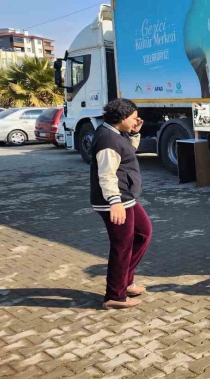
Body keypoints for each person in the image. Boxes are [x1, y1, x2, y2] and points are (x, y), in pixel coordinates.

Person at [90, 99, 152, 310]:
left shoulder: (115, 133)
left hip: (126, 198)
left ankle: (126, 280)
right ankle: (115, 295)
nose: (137, 120)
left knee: (143, 233)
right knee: (122, 246)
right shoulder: (107, 141)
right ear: (122, 118)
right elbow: (106, 175)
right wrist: (114, 202)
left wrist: (134, 132)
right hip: (115, 201)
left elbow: (128, 153)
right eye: (134, 118)